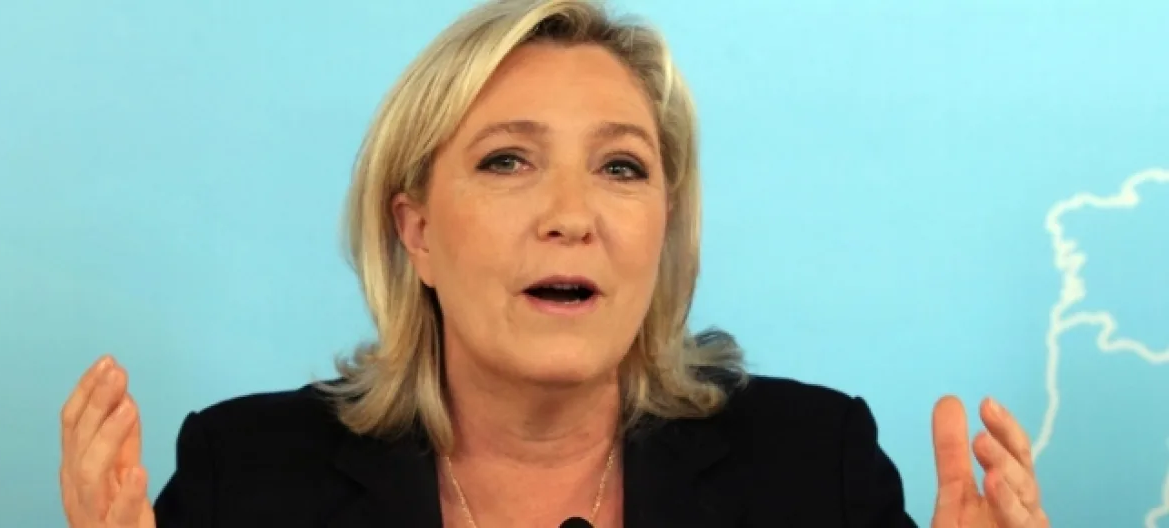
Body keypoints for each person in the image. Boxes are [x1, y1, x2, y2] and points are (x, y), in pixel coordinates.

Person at [58, 0, 1051, 526]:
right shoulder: (245, 477)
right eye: (507, 161)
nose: (572, 216)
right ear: (416, 232)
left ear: (664, 224)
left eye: (621, 168)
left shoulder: (812, 468)